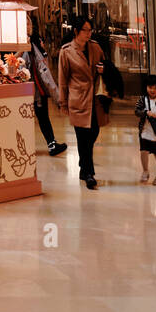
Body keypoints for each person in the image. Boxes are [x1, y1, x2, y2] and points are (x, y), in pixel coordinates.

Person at [58, 16, 105, 189]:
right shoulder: (67, 51)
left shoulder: (95, 47)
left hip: (94, 98)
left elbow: (105, 64)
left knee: (93, 131)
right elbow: (63, 79)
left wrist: (103, 69)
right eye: (85, 30)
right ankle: (89, 173)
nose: (88, 33)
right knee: (82, 137)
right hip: (77, 99)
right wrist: (62, 102)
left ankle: (83, 166)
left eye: (90, 30)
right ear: (76, 31)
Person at [26, 16, 67, 157]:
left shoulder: (34, 40)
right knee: (40, 117)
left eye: (28, 22)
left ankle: (52, 144)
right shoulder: (24, 43)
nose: (27, 25)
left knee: (43, 117)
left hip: (39, 87)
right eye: (24, 23)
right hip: (34, 87)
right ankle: (51, 144)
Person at [135, 74, 156, 185]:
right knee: (143, 151)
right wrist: (145, 113)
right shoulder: (142, 99)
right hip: (145, 131)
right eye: (150, 87)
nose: (153, 90)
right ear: (146, 87)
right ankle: (145, 171)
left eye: (155, 88)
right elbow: (136, 111)